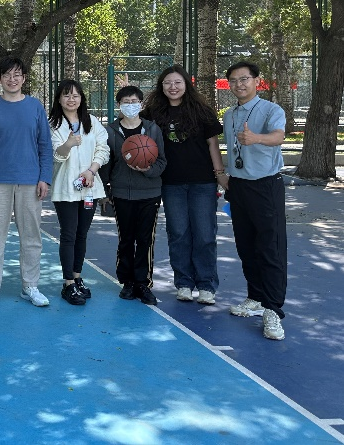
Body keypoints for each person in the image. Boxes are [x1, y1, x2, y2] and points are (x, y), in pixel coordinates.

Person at [142, 65, 226, 305]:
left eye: (177, 82)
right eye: (168, 82)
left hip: (202, 182)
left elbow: (212, 144)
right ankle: (184, 283)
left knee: (205, 234)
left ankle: (206, 285)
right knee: (178, 234)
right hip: (171, 183)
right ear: (161, 86)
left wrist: (220, 173)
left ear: (186, 84)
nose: (173, 87)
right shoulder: (152, 113)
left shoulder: (202, 111)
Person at [0, 57, 54, 310]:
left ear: (24, 78)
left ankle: (30, 285)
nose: (12, 79)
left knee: (31, 237)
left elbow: (45, 145)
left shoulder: (35, 106)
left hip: (30, 181)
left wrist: (45, 177)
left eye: (17, 74)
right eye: (7, 75)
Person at [223, 60, 287, 341]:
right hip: (238, 186)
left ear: (257, 81)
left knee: (270, 248)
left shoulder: (271, 110)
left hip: (265, 186)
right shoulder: (229, 114)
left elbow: (279, 136)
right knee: (246, 246)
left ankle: (273, 310)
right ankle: (256, 296)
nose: (239, 84)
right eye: (234, 80)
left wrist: (256, 138)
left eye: (244, 79)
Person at [101, 86, 167, 305]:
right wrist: (105, 192)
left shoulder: (152, 129)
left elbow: (162, 161)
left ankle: (143, 283)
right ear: (119, 105)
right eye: (126, 102)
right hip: (122, 193)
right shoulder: (110, 131)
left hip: (149, 193)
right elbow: (106, 165)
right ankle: (127, 281)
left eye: (134, 101)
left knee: (145, 239)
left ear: (141, 104)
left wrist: (148, 170)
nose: (130, 105)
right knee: (126, 239)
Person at [48, 79, 110, 306]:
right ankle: (67, 284)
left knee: (82, 234)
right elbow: (56, 156)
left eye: (75, 95)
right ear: (59, 99)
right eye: (66, 95)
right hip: (66, 187)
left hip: (89, 186)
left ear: (82, 98)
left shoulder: (92, 122)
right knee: (69, 234)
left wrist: (91, 170)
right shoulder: (53, 125)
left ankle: (77, 277)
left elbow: (103, 148)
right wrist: (68, 144)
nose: (71, 99)